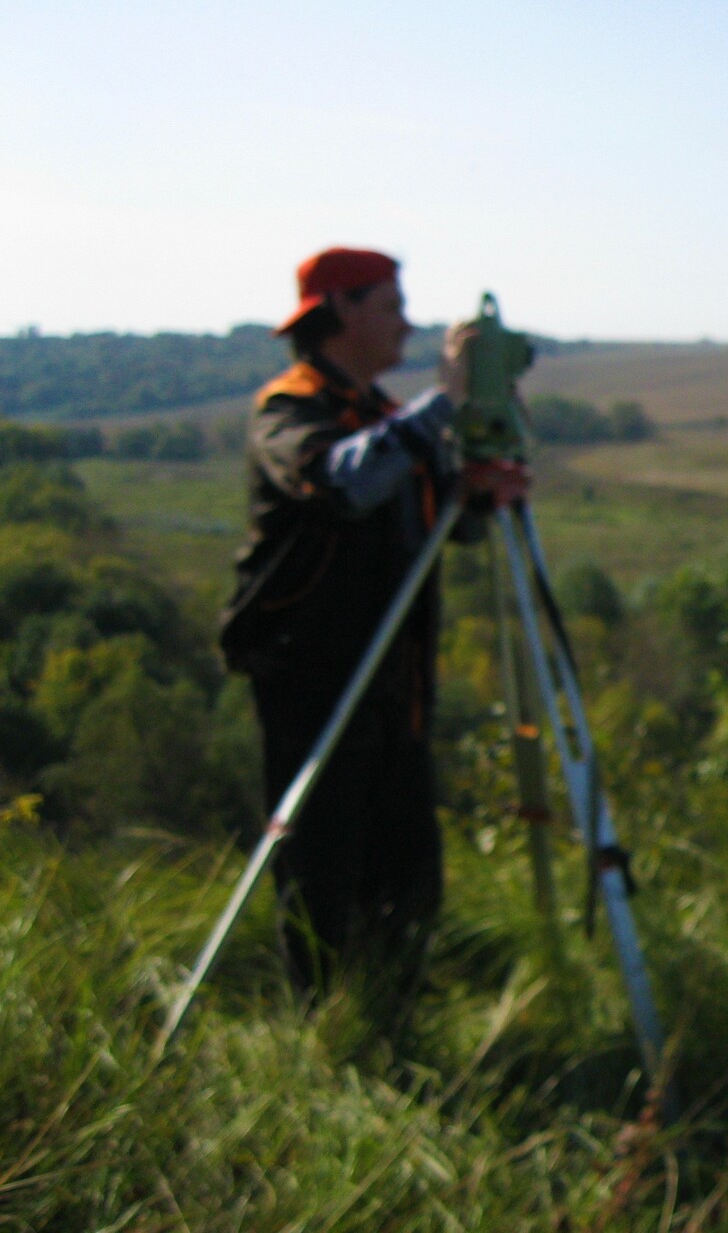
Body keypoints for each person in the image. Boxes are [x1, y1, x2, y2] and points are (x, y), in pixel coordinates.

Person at [221, 247, 487, 1000]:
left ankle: (393, 1011)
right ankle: (325, 1026)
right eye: (392, 307)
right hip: (314, 678)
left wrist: (482, 477)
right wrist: (440, 404)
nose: (407, 324)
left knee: (406, 865)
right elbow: (343, 482)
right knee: (323, 863)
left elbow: (454, 526)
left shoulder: (383, 419)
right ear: (341, 309)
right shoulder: (291, 407)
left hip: (393, 679)